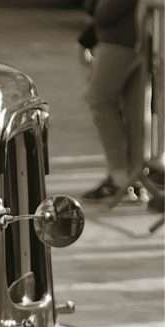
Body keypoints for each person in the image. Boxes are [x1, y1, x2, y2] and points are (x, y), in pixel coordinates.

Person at [79, 0, 147, 202]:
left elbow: (104, 12)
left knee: (99, 100)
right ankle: (134, 177)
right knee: (134, 110)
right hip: (138, 40)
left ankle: (120, 177)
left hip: (119, 42)